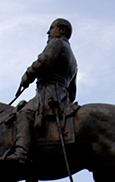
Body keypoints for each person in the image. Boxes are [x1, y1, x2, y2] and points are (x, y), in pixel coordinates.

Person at [8, 18, 78, 172]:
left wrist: (28, 75)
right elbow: (72, 90)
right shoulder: (73, 59)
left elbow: (44, 61)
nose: (48, 32)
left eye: (51, 28)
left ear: (62, 30)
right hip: (62, 96)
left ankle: (20, 153)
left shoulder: (57, 43)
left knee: (24, 113)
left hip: (48, 94)